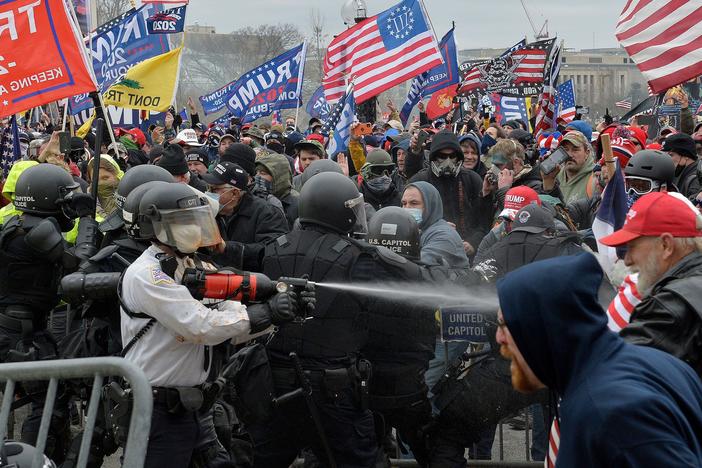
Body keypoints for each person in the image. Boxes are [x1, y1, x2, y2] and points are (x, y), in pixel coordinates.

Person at [120, 182, 306, 468]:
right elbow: (201, 327)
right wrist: (264, 313)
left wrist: (282, 308)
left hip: (199, 407)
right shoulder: (147, 275)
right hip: (158, 410)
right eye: (184, 222)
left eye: (196, 221)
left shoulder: (197, 266)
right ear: (155, 226)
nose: (194, 229)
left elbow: (232, 321)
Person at [496, 253, 702, 467]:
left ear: (540, 327)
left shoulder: (609, 411)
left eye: (504, 324)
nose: (498, 338)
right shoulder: (659, 363)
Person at [0, 164, 86, 462]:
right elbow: (79, 266)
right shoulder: (38, 232)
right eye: (67, 200)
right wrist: (87, 222)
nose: (71, 207)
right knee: (50, 399)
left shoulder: (19, 224)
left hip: (24, 328)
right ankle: (35, 461)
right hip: (18, 335)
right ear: (47, 198)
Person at [600, 191, 702, 377]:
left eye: (632, 247)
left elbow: (614, 373)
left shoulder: (669, 308)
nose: (628, 260)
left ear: (666, 246)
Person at [405, 130, 490, 255]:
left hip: (464, 252)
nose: (448, 161)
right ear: (434, 156)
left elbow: (484, 219)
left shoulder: (472, 179)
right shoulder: (420, 180)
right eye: (443, 156)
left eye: (452, 156)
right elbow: (409, 221)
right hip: (429, 249)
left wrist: (473, 242)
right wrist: (437, 229)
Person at [203, 161, 288, 271]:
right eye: (208, 188)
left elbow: (272, 251)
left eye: (215, 189)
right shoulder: (210, 212)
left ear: (235, 193)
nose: (208, 193)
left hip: (251, 282)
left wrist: (228, 248)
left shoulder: (267, 213)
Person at [255, 153, 299, 229]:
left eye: (263, 173)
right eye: (257, 173)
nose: (257, 177)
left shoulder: (297, 204)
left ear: (278, 177)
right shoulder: (256, 198)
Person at [551, 130, 595, 204]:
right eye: (565, 150)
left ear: (587, 153)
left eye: (575, 150)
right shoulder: (555, 176)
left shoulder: (595, 178)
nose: (569, 155)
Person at [662, 133, 700, 200]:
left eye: (671, 155)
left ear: (686, 156)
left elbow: (692, 208)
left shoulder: (696, 180)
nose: (666, 159)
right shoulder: (679, 172)